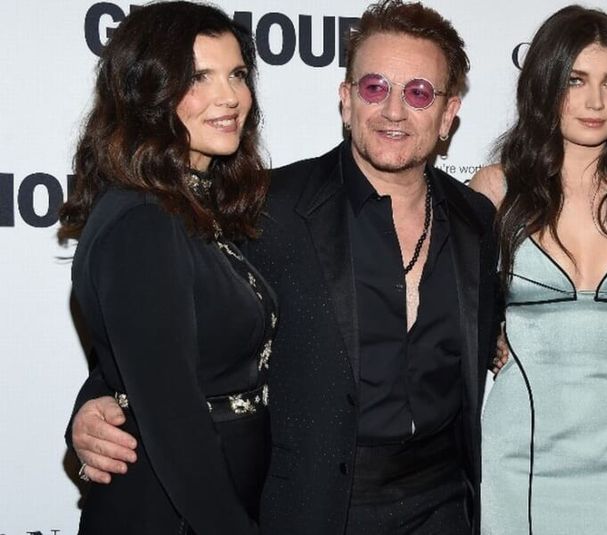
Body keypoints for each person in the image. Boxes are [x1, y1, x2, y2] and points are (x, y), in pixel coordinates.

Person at [68, 1, 499, 533]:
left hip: (442, 505)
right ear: (345, 100)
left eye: (418, 93)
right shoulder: (267, 208)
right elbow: (159, 326)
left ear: (448, 112)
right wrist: (94, 403)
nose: (393, 110)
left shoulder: (476, 221)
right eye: (373, 88)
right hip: (317, 507)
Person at [58, 2, 271, 533]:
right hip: (171, 512)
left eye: (237, 75)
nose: (229, 97)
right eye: (199, 77)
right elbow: (175, 424)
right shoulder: (142, 223)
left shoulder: (194, 204)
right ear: (148, 93)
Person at [470, 6, 607, 534]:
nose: (595, 102)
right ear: (545, 84)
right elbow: (450, 308)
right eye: (576, 80)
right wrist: (488, 335)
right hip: (520, 454)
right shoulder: (497, 189)